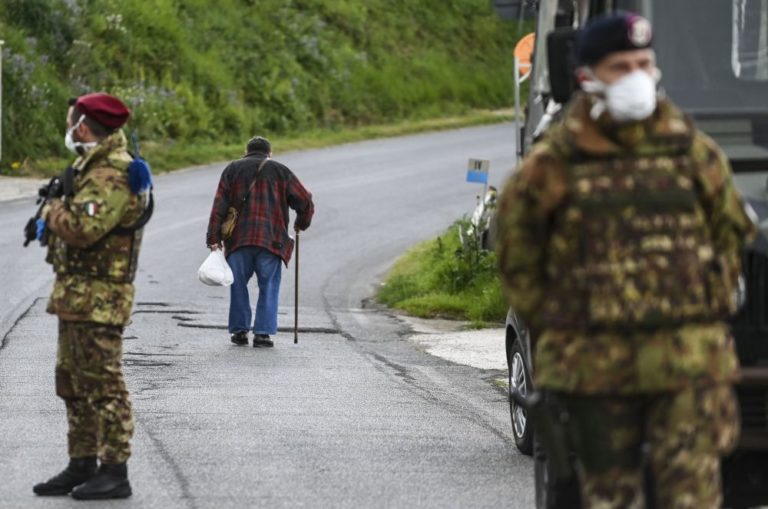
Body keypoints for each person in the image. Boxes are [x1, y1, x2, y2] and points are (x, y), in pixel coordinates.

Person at [496, 13, 758, 509]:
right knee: (607, 498)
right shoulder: (552, 167)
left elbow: (732, 240)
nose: (636, 76)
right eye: (621, 66)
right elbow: (518, 262)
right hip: (596, 374)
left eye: (644, 63)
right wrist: (562, 329)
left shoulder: (694, 153)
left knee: (693, 498)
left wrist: (707, 314)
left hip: (688, 368)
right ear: (587, 78)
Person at [33, 93, 149, 499]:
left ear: (83, 126)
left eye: (71, 120)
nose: (68, 127)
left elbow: (83, 229)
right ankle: (81, 462)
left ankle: (115, 471)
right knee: (72, 383)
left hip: (101, 299)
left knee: (104, 385)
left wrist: (50, 209)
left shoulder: (112, 174)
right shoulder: (91, 168)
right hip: (77, 294)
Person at [206, 136, 314, 347]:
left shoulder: (232, 169)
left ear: (246, 151)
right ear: (269, 153)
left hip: (239, 240)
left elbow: (219, 205)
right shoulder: (281, 171)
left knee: (237, 285)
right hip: (272, 240)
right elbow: (305, 200)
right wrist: (301, 223)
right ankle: (263, 333)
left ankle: (239, 331)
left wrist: (213, 238)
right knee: (269, 286)